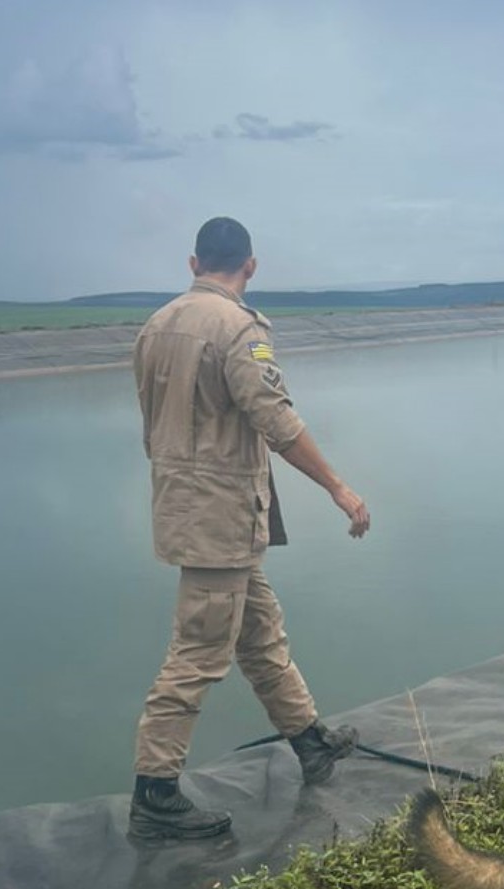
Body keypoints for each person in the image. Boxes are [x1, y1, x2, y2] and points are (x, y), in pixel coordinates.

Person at [128, 216, 372, 841]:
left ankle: (309, 740)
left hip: (190, 508)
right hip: (218, 515)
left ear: (192, 263)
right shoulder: (239, 328)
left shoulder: (155, 326)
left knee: (261, 634)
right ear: (250, 266)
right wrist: (339, 488)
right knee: (198, 652)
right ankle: (155, 791)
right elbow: (276, 420)